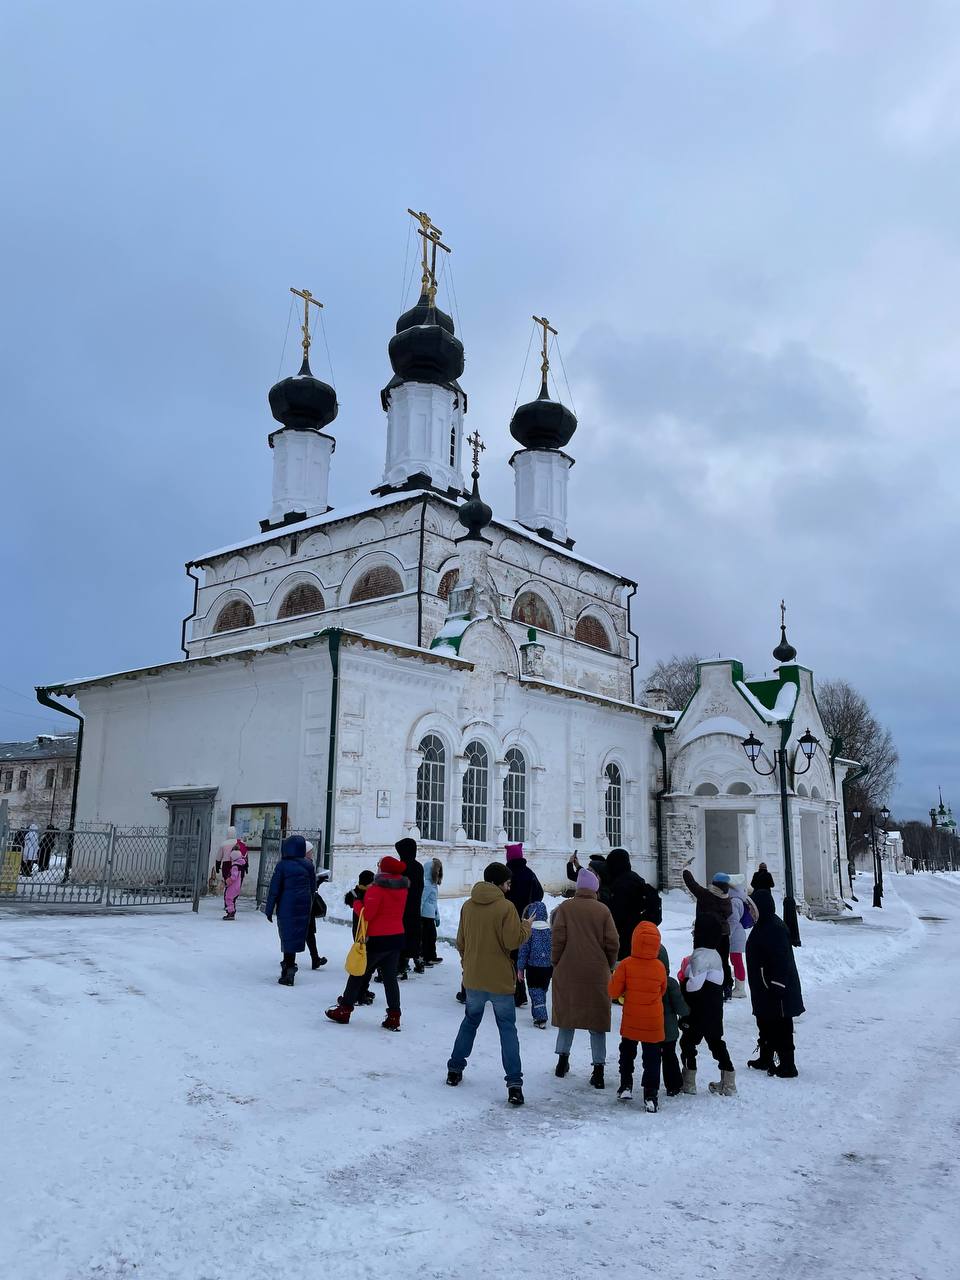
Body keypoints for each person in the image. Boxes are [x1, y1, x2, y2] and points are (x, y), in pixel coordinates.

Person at [446, 862, 532, 1106]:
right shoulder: (506, 907)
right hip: (500, 980)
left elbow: (461, 942)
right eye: (507, 883)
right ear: (499, 883)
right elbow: (512, 942)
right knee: (507, 1028)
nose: (509, 887)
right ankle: (514, 1084)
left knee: (470, 1021)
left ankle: (454, 1069)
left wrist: (467, 965)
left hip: (473, 978)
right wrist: (526, 926)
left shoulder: (467, 905)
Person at [550, 867, 621, 1087]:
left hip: (568, 970)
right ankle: (598, 1070)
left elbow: (558, 939)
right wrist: (608, 965)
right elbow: (613, 943)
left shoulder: (565, 908)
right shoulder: (603, 911)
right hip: (596, 972)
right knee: (597, 1021)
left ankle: (562, 1061)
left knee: (567, 1017)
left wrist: (557, 962)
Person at [326, 855, 409, 1030]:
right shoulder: (402, 888)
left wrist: (356, 901)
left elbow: (367, 915)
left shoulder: (377, 889)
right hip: (396, 937)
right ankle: (394, 1015)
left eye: (379, 865)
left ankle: (344, 1009)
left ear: (383, 869)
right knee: (390, 978)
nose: (377, 868)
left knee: (358, 972)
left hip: (377, 940)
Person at [745, 888, 805, 1078]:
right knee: (765, 1021)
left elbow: (781, 958)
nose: (750, 912)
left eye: (752, 908)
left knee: (781, 1024)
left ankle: (788, 1064)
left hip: (777, 987)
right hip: (763, 986)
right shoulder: (763, 924)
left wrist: (777, 984)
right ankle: (766, 1057)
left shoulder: (774, 927)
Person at [608, 921, 667, 1110]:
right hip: (653, 1021)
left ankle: (626, 1085)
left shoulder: (626, 964)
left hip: (632, 1019)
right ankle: (651, 1095)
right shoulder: (659, 967)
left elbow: (613, 992)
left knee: (627, 1052)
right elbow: (663, 990)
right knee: (652, 1058)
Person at [678, 916, 736, 1096]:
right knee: (717, 1043)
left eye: (695, 931)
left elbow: (695, 985)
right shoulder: (716, 954)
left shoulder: (701, 955)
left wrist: (684, 983)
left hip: (697, 1011)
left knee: (687, 1043)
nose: (693, 934)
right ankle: (728, 1081)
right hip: (714, 1010)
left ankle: (689, 1082)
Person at [264, 835, 316, 983]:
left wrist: (269, 909)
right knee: (296, 934)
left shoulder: (282, 865)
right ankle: (289, 965)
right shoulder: (308, 865)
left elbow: (274, 889)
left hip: (286, 904)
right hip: (304, 904)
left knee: (287, 935)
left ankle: (288, 970)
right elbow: (312, 888)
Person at [682, 866, 733, 995]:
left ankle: (703, 984)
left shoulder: (707, 895)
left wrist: (685, 870)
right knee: (723, 960)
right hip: (724, 934)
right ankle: (727, 986)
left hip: (708, 935)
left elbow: (692, 885)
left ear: (715, 883)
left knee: (702, 959)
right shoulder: (726, 898)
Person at [504, 843, 543, 1007]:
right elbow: (539, 893)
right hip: (527, 920)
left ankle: (517, 993)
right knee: (523, 956)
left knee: (512, 957)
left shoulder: (507, 874)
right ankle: (525, 994)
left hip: (510, 920)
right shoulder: (530, 873)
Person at [606, 848, 661, 959]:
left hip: (625, 937)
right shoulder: (636, 879)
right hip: (640, 934)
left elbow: (617, 914)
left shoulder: (621, 884)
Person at [516, 900, 553, 1028]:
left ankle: (541, 1017)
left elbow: (523, 951)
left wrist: (520, 968)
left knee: (535, 991)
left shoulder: (529, 931)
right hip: (548, 968)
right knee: (542, 991)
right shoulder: (550, 931)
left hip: (533, 968)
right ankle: (538, 1013)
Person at [660, 948, 689, 1098]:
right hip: (669, 1030)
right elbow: (680, 1007)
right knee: (669, 1056)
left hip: (652, 1029)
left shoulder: (645, 981)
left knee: (652, 1057)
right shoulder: (670, 983)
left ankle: (650, 1081)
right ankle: (673, 1085)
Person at [724, 877, 758, 998]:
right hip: (737, 935)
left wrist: (727, 935)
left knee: (737, 961)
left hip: (735, 936)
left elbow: (733, 920)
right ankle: (738, 981)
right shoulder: (738, 900)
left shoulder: (734, 902)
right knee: (735, 960)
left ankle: (740, 988)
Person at [396, 837, 425, 977]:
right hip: (415, 905)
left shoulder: (402, 867)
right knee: (414, 934)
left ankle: (402, 965)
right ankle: (418, 960)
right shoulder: (419, 866)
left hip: (402, 906)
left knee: (402, 935)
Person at [303, 842, 328, 970]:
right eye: (310, 851)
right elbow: (306, 884)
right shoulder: (304, 865)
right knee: (301, 932)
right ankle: (288, 959)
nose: (311, 853)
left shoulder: (308, 864)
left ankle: (315, 958)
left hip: (309, 902)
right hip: (304, 903)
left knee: (309, 932)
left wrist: (318, 881)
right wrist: (316, 882)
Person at [420, 854, 443, 965]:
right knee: (427, 938)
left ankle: (431, 956)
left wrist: (437, 916)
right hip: (425, 916)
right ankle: (426, 957)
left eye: (439, 870)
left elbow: (434, 903)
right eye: (437, 870)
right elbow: (422, 900)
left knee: (432, 937)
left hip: (430, 916)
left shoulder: (433, 885)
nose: (438, 873)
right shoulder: (427, 885)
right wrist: (418, 915)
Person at [221, 836, 249, 921]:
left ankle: (231, 912)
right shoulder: (241, 863)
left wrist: (227, 881)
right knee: (231, 899)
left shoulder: (235, 866)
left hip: (233, 885)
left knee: (228, 898)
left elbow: (233, 877)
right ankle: (231, 911)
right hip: (237, 885)